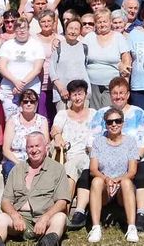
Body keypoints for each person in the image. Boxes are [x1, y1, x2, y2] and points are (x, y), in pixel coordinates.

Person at [78, 77, 144, 232]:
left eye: (122, 93)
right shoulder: (101, 113)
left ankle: (141, 213)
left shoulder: (138, 113)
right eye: (115, 93)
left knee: (142, 173)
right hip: (105, 157)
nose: (118, 96)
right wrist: (101, 160)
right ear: (110, 95)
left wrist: (130, 160)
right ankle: (80, 212)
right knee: (87, 173)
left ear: (128, 94)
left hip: (134, 158)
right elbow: (91, 141)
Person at [0, 131, 70, 246]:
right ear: (26, 149)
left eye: (37, 146)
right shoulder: (17, 169)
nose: (34, 150)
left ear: (46, 147)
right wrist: (14, 215)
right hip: (20, 221)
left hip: (46, 219)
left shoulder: (57, 169)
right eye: (30, 147)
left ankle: (47, 242)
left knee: (60, 218)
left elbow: (62, 202)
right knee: (1, 217)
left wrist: (45, 218)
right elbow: (5, 201)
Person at [87, 106, 141, 243]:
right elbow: (93, 169)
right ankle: (95, 227)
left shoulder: (130, 142)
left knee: (127, 182)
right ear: (105, 124)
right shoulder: (98, 141)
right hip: (105, 186)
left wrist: (117, 180)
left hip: (122, 188)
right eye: (110, 122)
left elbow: (132, 171)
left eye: (117, 121)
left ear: (123, 123)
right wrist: (106, 179)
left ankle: (132, 227)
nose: (114, 124)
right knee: (96, 181)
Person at [51, 80, 95, 212]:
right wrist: (58, 136)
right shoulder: (62, 114)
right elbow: (54, 129)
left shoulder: (93, 113)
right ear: (69, 96)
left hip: (87, 154)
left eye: (80, 94)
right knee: (70, 165)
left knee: (71, 167)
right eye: (74, 94)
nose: (77, 98)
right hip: (67, 155)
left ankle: (63, 211)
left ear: (86, 95)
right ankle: (63, 211)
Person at [0, 18, 46, 119]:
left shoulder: (37, 45)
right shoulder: (7, 45)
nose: (22, 30)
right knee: (11, 120)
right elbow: (2, 67)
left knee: (29, 119)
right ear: (14, 30)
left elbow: (37, 69)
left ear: (29, 29)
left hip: (31, 88)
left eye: (24, 28)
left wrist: (21, 85)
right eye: (18, 28)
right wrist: (16, 82)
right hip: (9, 90)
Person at [82, 10, 131, 108]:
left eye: (105, 21)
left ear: (110, 22)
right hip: (91, 84)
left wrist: (124, 83)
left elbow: (126, 60)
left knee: (109, 112)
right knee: (94, 114)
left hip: (112, 85)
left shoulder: (119, 37)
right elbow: (80, 57)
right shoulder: (89, 37)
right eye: (99, 22)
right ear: (95, 24)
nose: (102, 24)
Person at [3, 89, 49, 177]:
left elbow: (45, 146)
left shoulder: (42, 120)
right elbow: (6, 150)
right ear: (20, 103)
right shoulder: (12, 120)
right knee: (11, 170)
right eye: (25, 101)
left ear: (36, 104)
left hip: (36, 160)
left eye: (32, 101)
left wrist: (33, 164)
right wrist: (20, 165)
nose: (28, 104)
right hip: (15, 160)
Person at [51, 18, 89, 107]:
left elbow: (85, 68)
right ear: (65, 29)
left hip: (81, 94)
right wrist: (61, 89)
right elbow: (51, 70)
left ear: (80, 31)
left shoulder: (84, 48)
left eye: (76, 29)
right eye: (70, 28)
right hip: (62, 93)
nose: (73, 31)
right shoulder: (58, 46)